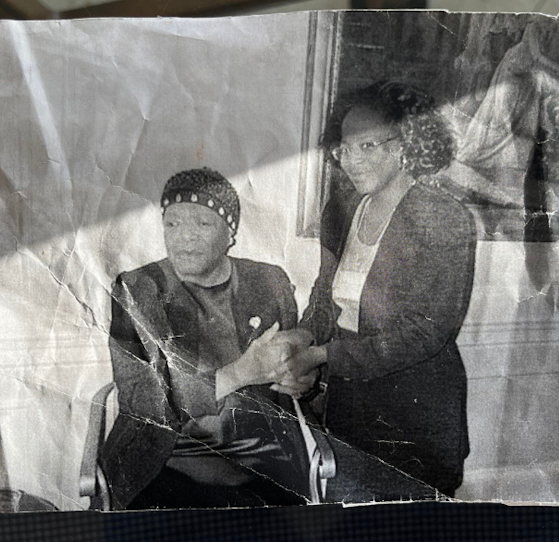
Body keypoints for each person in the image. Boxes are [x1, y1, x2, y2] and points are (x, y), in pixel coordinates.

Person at [100, 167, 319, 510]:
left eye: (202, 223)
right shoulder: (139, 288)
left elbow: (296, 376)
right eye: (172, 224)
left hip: (260, 465)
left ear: (230, 232)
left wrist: (302, 378)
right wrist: (240, 373)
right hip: (166, 461)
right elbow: (138, 400)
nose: (184, 236)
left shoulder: (270, 282)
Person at [299, 81, 478, 499]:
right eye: (344, 148)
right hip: (350, 405)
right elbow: (325, 294)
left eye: (367, 147)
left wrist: (324, 355)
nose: (350, 162)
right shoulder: (340, 208)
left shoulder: (446, 218)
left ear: (404, 147)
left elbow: (425, 332)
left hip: (415, 410)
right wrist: (303, 336)